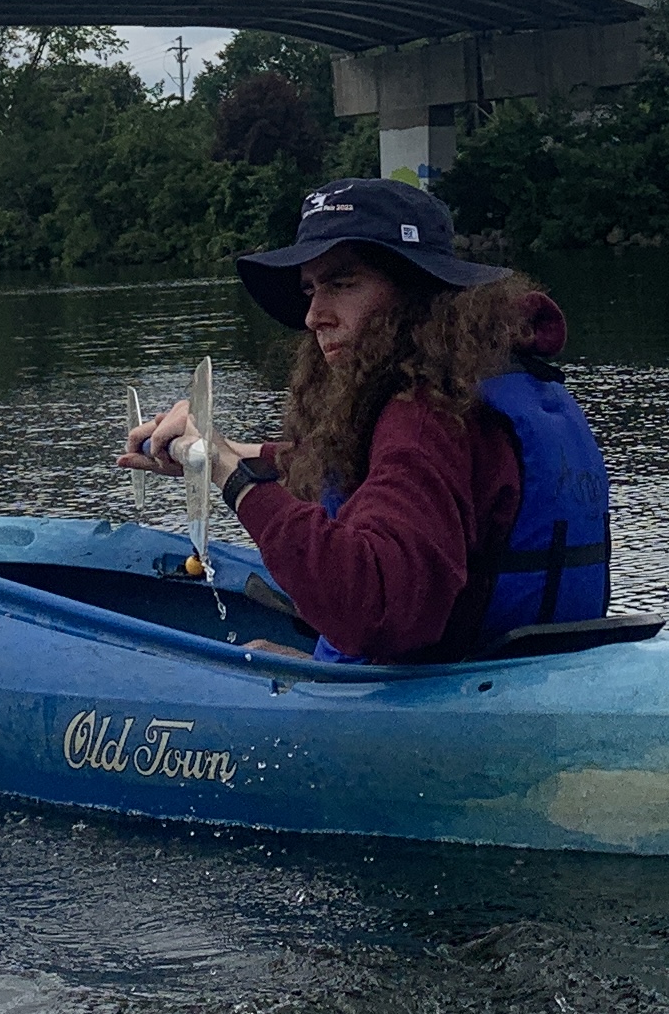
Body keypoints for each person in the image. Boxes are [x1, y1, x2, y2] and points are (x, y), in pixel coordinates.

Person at [119, 178, 611, 663]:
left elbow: (376, 611)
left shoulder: (425, 419)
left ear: (419, 293)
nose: (314, 316)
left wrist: (231, 474)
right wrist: (227, 452)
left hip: (441, 702)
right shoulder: (486, 388)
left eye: (342, 283)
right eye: (311, 290)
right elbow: (379, 476)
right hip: (518, 669)